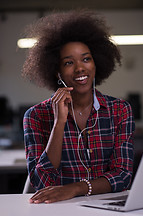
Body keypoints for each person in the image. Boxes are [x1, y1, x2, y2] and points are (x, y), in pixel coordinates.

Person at [22, 9, 135, 204]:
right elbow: (42, 182)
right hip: (58, 211)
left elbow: (123, 176)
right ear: (57, 72)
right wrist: (59, 123)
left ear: (96, 63)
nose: (80, 68)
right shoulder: (36, 116)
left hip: (107, 209)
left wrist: (75, 188)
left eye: (86, 59)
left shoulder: (120, 110)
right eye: (68, 62)